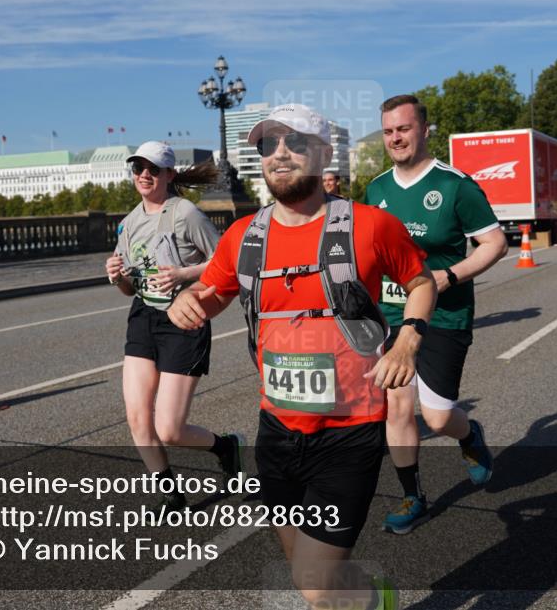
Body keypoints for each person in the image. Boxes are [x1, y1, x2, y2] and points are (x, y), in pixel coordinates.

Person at [168, 104, 436, 610]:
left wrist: (407, 340)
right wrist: (191, 300)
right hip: (277, 430)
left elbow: (420, 283)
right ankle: (368, 596)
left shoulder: (372, 226)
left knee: (313, 584)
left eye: (295, 143)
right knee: (305, 573)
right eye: (269, 146)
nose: (281, 154)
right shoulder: (245, 236)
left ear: (323, 153)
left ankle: (370, 599)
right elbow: (213, 291)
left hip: (349, 431)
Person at [366, 94, 507, 535]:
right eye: (389, 131)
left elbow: (495, 244)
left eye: (404, 129)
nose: (396, 138)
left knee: (439, 418)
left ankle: (468, 436)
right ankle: (412, 497)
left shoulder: (456, 186)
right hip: (391, 315)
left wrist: (450, 275)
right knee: (397, 408)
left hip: (445, 316)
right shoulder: (376, 189)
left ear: (425, 130)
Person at [105, 141, 242, 511]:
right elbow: (127, 288)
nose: (144, 175)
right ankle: (169, 492)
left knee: (170, 429)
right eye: (138, 169)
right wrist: (116, 276)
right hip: (143, 317)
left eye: (152, 169)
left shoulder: (185, 214)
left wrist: (184, 272)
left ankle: (226, 446)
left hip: (184, 319)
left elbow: (224, 262)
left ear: (169, 174)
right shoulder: (130, 223)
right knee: (136, 415)